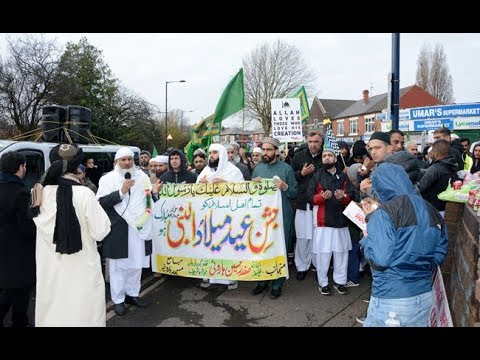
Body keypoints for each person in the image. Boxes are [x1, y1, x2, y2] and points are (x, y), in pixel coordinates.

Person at [360, 162, 448, 327]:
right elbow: (439, 253)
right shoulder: (432, 210)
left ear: (380, 185)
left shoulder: (385, 212)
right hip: (423, 296)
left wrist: (367, 238)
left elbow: (380, 259)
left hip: (391, 299)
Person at [34, 144, 111, 326]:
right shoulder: (84, 194)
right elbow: (101, 231)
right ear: (77, 166)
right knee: (82, 312)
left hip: (50, 269)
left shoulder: (38, 193)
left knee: (53, 311)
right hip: (82, 269)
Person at [96, 147, 161, 316]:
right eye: (123, 160)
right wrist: (121, 191)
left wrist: (154, 194)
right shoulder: (107, 179)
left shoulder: (142, 177)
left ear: (133, 161)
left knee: (136, 265)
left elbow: (147, 200)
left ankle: (133, 294)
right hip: (119, 229)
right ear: (117, 162)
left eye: (129, 159)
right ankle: (118, 300)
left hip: (140, 228)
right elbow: (101, 202)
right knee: (119, 268)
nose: (126, 162)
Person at [251, 137, 298, 299]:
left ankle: (277, 284)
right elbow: (251, 195)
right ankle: (262, 281)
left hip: (282, 217)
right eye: (263, 150)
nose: (265, 153)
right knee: (262, 247)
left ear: (276, 151)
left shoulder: (286, 169)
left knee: (279, 249)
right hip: (262, 218)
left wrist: (284, 186)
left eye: (269, 150)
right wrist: (254, 186)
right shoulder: (258, 169)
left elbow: (294, 192)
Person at [306, 148, 357, 296]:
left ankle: (340, 282)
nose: (327, 158)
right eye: (324, 156)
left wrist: (343, 197)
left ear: (335, 159)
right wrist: (321, 197)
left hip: (341, 221)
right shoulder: (316, 177)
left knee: (341, 254)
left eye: (330, 156)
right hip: (323, 222)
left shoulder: (343, 176)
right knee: (323, 255)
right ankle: (323, 283)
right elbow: (309, 197)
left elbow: (352, 194)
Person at [197, 143, 244, 290]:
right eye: (210, 153)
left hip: (228, 218)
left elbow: (243, 192)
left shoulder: (234, 172)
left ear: (222, 154)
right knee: (209, 247)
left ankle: (229, 279)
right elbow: (194, 193)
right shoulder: (205, 171)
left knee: (227, 247)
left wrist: (226, 184)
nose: (211, 156)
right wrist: (201, 185)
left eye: (215, 153)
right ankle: (209, 278)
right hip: (209, 218)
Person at [0, 151, 36, 327]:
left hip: (3, 249)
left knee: (6, 287)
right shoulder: (20, 193)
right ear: (21, 167)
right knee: (20, 290)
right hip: (18, 251)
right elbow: (27, 228)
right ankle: (20, 321)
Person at [290, 131, 323, 281]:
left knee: (318, 237)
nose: (313, 144)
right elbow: (291, 176)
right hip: (302, 202)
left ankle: (317, 265)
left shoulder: (326, 156)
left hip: (320, 203)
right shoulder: (299, 156)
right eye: (310, 141)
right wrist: (301, 173)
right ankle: (302, 266)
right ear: (307, 141)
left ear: (321, 142)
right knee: (303, 237)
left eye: (316, 141)